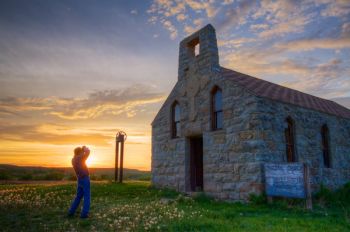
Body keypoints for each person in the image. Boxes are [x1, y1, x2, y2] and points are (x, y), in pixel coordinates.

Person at [68, 146, 91, 218]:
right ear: (79, 153)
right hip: (85, 179)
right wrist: (84, 148)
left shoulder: (73, 160)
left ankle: (71, 212)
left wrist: (81, 151)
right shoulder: (80, 158)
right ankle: (84, 214)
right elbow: (88, 152)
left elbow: (80, 155)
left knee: (78, 196)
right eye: (81, 152)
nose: (82, 153)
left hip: (79, 179)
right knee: (87, 196)